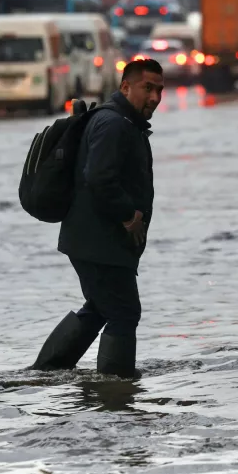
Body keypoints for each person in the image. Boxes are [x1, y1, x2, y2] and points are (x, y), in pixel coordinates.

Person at [31, 58, 164, 379]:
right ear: (125, 87)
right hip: (98, 241)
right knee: (124, 312)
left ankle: (48, 371)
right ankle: (115, 388)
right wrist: (128, 215)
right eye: (148, 88)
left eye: (160, 90)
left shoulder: (122, 123)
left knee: (101, 307)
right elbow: (99, 177)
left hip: (94, 240)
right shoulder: (114, 124)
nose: (155, 98)